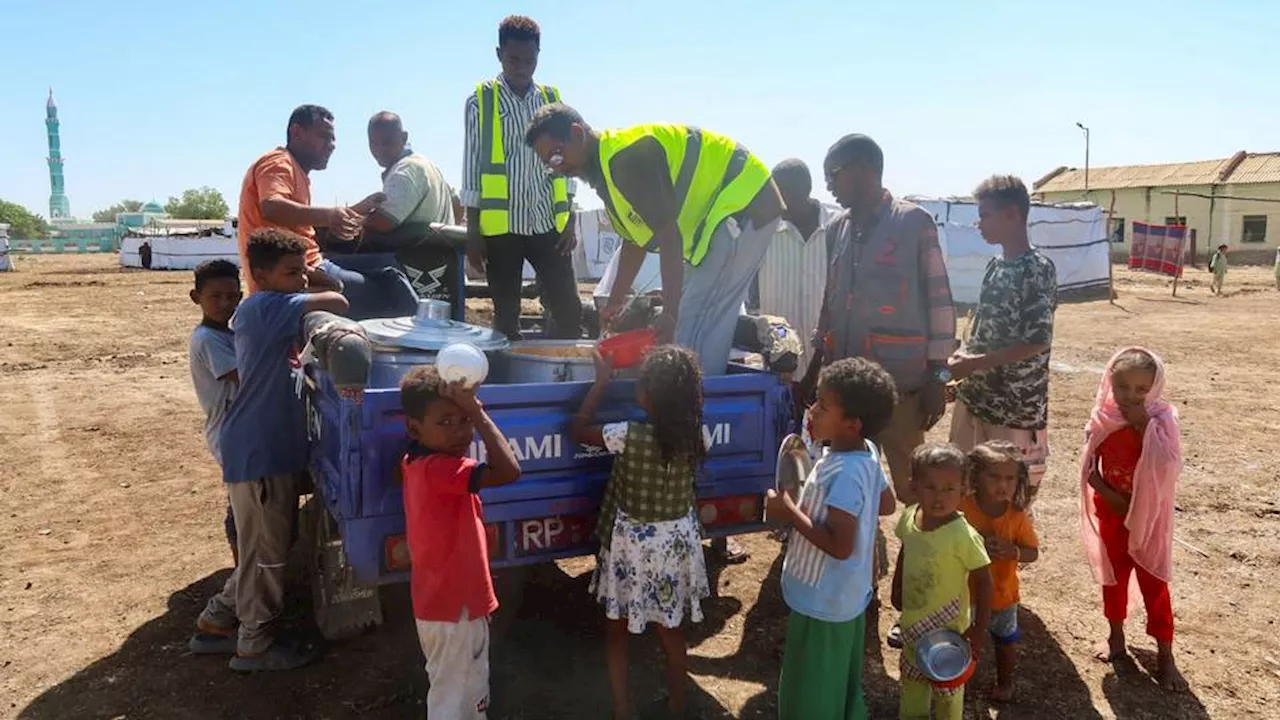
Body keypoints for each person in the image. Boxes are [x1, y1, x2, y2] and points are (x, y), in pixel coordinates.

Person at [806, 134, 956, 647]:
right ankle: (860, 592)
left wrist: (939, 375)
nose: (828, 183)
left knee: (915, 498)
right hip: (849, 391)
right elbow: (831, 300)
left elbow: (939, 298)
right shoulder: (838, 229)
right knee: (854, 494)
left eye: (835, 172)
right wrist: (818, 364)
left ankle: (920, 602)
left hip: (903, 389)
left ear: (866, 170)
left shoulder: (913, 223)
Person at [525, 103, 785, 376]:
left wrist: (670, 313)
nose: (558, 167)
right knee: (688, 319)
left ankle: (698, 407)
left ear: (577, 133)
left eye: (556, 155)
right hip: (723, 218)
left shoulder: (626, 160)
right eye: (548, 164)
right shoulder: (605, 175)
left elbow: (668, 234)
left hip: (744, 204)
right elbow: (634, 241)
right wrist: (614, 302)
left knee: (694, 322)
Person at [190, 228, 349, 671]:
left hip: (263, 447)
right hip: (258, 450)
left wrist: (303, 274)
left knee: (264, 547)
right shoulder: (265, 307)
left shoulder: (266, 304)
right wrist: (317, 278)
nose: (300, 279)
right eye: (291, 272)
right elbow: (339, 301)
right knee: (267, 553)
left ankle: (219, 620)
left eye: (302, 271)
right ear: (259, 275)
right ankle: (254, 645)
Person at [570, 346, 712, 720]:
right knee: (672, 631)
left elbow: (579, 429)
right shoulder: (698, 438)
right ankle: (678, 708)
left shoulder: (625, 435)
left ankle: (621, 711)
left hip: (632, 546)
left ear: (647, 394)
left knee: (616, 631)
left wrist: (601, 383)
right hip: (675, 543)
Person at [767, 357, 897, 720]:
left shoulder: (845, 473)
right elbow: (886, 503)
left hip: (824, 600)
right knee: (837, 682)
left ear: (852, 425)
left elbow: (840, 546)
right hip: (848, 596)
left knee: (812, 693)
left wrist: (788, 511)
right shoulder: (865, 454)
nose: (813, 410)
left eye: (823, 406)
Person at [399, 365, 522, 719]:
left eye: (463, 420)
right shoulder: (440, 469)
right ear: (414, 427)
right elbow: (509, 471)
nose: (459, 432)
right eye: (446, 422)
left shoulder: (415, 460)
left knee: (465, 693)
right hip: (454, 609)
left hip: (449, 605)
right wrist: (478, 412)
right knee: (455, 701)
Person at [463, 15, 582, 341]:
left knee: (569, 307)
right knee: (506, 315)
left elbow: (568, 158)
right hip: (503, 228)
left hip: (547, 222)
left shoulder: (551, 100)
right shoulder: (482, 101)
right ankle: (509, 379)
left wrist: (569, 217)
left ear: (538, 56)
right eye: (514, 59)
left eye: (529, 60)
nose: (521, 67)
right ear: (499, 54)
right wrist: (473, 232)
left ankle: (562, 370)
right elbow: (472, 165)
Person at [1080, 348, 1187, 691]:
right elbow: (1092, 457)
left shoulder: (1161, 420)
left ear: (1154, 389)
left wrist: (1142, 424)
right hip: (1110, 515)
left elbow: (1166, 465)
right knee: (1113, 576)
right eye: (1123, 387)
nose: (1131, 396)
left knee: (1154, 582)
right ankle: (1115, 637)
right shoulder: (1104, 417)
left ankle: (1165, 655)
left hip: (1148, 518)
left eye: (1142, 389)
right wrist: (1100, 487)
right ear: (1110, 383)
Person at [948, 175, 1057, 509]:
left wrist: (973, 364)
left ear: (1011, 214)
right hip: (977, 398)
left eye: (985, 216)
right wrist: (960, 360)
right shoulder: (995, 265)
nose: (979, 224)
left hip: (1013, 408)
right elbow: (986, 329)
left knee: (1006, 499)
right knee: (964, 486)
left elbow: (1037, 341)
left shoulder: (1036, 269)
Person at [892, 443, 992, 720]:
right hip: (912, 627)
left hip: (950, 637)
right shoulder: (909, 518)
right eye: (930, 487)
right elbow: (906, 548)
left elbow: (984, 580)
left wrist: (979, 628)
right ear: (914, 486)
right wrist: (897, 585)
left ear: (964, 490)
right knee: (912, 685)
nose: (939, 497)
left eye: (949, 489)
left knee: (947, 695)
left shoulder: (962, 535)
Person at [237, 104, 380, 294]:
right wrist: (329, 216)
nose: (332, 145)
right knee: (388, 287)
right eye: (324, 136)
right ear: (297, 132)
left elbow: (301, 218)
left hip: (310, 265)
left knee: (386, 271)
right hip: (294, 277)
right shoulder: (278, 162)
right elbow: (271, 207)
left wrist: (361, 207)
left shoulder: (297, 172)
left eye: (333, 139)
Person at [959, 440, 1039, 703]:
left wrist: (1012, 551)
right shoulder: (962, 508)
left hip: (1002, 595)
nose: (1002, 485)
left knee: (1005, 641)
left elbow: (1032, 552)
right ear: (975, 477)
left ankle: (1005, 682)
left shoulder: (1017, 517)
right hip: (966, 594)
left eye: (1009, 478)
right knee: (964, 638)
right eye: (994, 477)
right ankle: (960, 678)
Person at [753, 158, 840, 396]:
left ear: (802, 191)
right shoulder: (763, 231)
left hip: (829, 365)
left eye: (781, 193)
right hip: (780, 365)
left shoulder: (840, 225)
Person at [187, 259, 243, 565]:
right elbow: (246, 380)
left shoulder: (227, 333)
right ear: (196, 298)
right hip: (229, 433)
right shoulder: (209, 339)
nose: (225, 303)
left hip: (237, 429)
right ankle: (240, 567)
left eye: (232, 296)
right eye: (215, 297)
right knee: (240, 503)